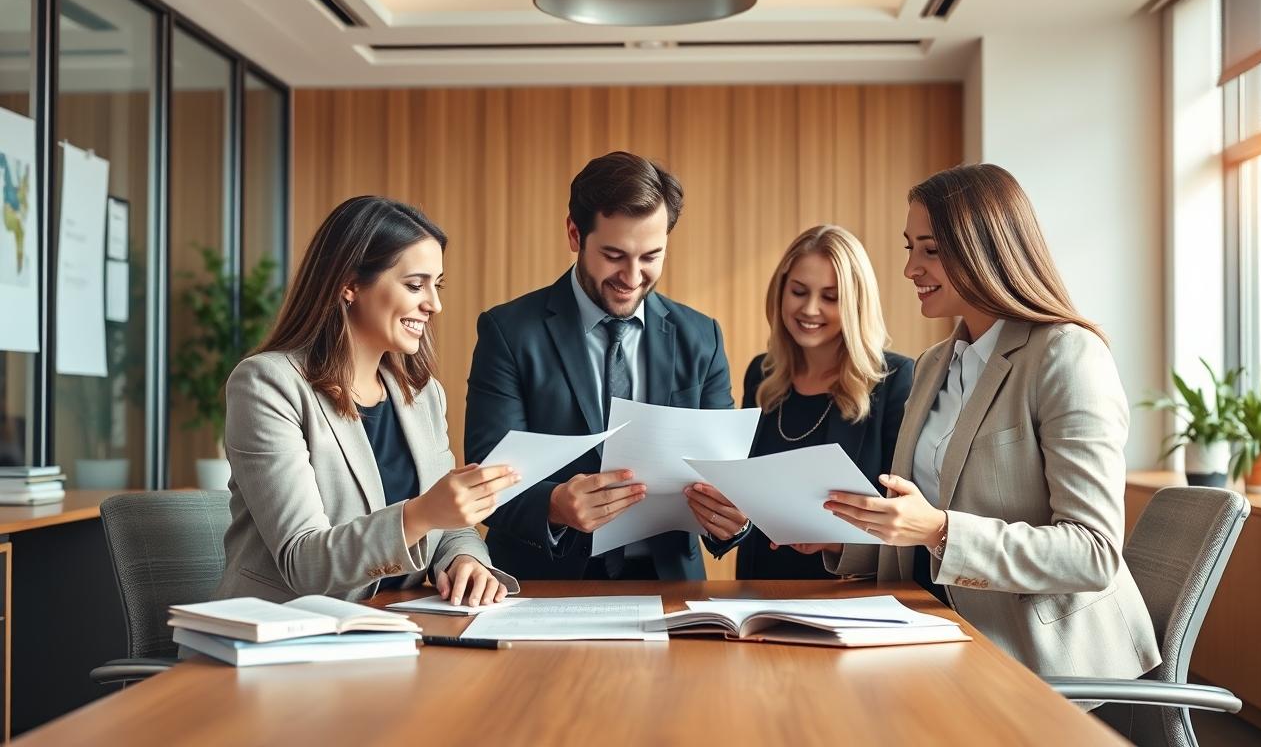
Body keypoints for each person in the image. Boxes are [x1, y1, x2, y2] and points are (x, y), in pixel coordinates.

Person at [814, 164, 1159, 679]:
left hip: (1040, 664)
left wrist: (940, 532)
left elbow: (1092, 553)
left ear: (986, 250)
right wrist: (846, 536)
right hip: (937, 635)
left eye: (930, 250)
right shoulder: (934, 364)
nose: (910, 268)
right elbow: (924, 528)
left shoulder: (1066, 356)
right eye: (910, 247)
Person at [217, 196, 519, 606]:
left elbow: (449, 526)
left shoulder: (423, 394)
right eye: (416, 285)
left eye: (437, 284)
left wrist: (465, 559)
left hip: (397, 627)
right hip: (289, 637)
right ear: (349, 284)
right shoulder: (268, 384)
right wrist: (423, 513)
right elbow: (304, 564)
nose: (434, 304)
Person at [465, 151, 742, 580]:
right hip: (542, 582)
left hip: (668, 584)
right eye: (614, 255)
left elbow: (722, 475)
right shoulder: (509, 332)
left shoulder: (702, 337)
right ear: (575, 234)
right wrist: (554, 505)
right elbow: (486, 479)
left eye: (650, 256)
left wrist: (732, 518)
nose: (632, 277)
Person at [683, 225, 913, 578]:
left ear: (856, 304)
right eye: (799, 291)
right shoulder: (761, 374)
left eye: (830, 297)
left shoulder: (896, 380)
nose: (809, 309)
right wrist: (732, 518)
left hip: (850, 596)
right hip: (761, 587)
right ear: (781, 292)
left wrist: (834, 542)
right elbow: (749, 501)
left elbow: (909, 522)